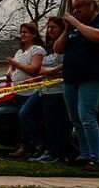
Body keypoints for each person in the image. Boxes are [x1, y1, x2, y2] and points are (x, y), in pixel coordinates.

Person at [54, 0, 99, 171]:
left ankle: (95, 158)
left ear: (92, 6)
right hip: (70, 80)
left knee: (87, 117)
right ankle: (85, 154)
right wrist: (67, 30)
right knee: (76, 120)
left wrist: (76, 24)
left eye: (79, 6)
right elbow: (58, 49)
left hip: (92, 79)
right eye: (74, 7)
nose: (75, 10)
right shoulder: (74, 30)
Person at [19, 17, 70, 164]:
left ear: (61, 28)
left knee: (52, 123)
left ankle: (54, 153)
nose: (50, 30)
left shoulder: (67, 45)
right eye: (48, 27)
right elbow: (40, 69)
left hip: (56, 91)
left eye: (54, 27)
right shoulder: (48, 47)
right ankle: (39, 145)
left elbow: (66, 64)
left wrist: (51, 71)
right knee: (25, 113)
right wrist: (43, 74)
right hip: (42, 89)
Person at [4, 22, 45, 159]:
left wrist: (15, 64)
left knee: (25, 115)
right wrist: (10, 71)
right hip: (18, 90)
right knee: (21, 120)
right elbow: (12, 68)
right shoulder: (19, 52)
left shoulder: (37, 50)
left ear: (33, 34)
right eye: (21, 32)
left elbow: (33, 69)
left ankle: (38, 144)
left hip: (32, 91)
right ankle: (24, 146)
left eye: (25, 32)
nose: (22, 34)